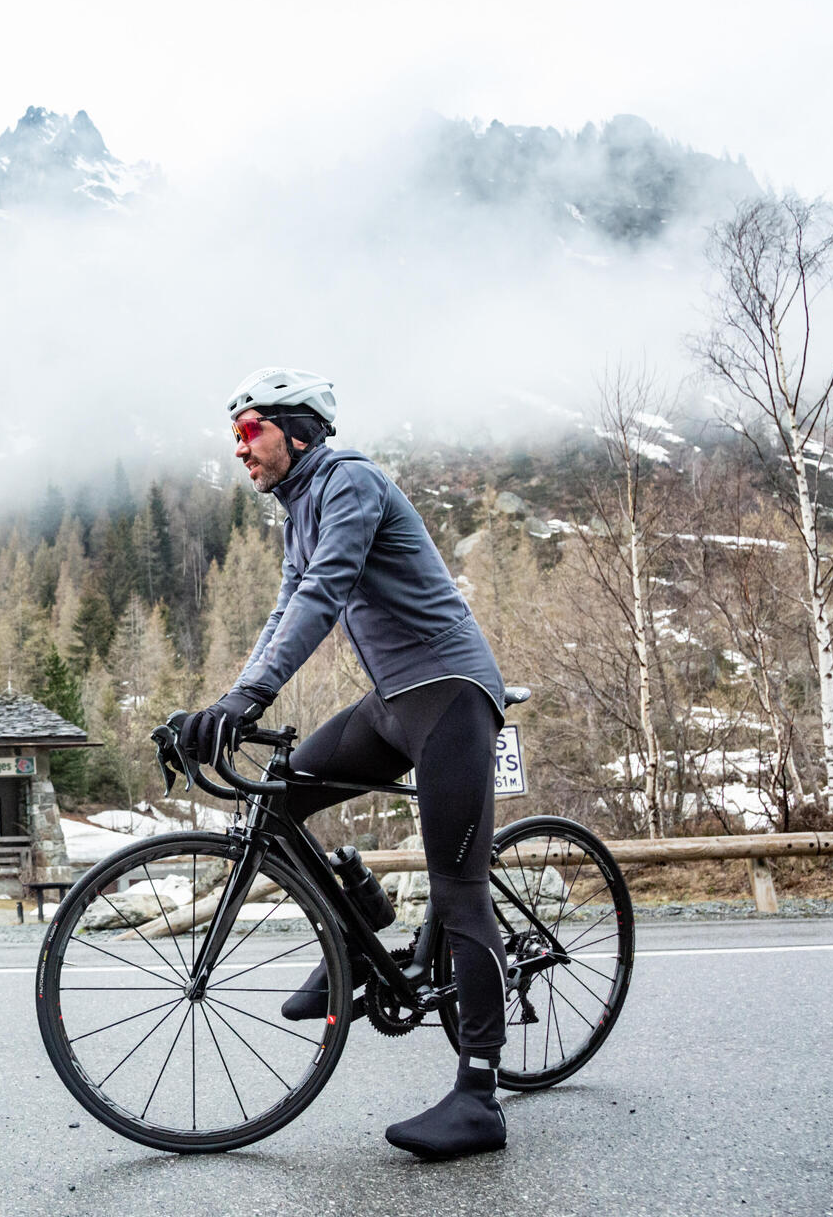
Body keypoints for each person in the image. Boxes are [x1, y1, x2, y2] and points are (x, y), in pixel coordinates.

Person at [184, 368, 511, 1160]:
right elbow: (286, 606)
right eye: (234, 437)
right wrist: (223, 703)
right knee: (284, 797)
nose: (239, 450)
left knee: (458, 891)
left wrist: (249, 699)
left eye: (249, 431)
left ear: (296, 430)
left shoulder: (351, 482)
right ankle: (356, 926)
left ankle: (479, 1094)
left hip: (451, 698)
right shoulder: (300, 510)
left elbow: (325, 594)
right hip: (394, 701)